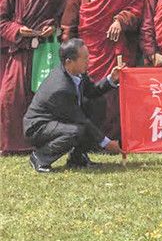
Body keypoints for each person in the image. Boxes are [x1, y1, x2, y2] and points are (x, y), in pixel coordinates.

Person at [61, 0, 141, 140]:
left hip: (112, 46)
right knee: (86, 90)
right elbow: (71, 14)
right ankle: (89, 136)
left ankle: (111, 137)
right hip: (87, 48)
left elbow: (137, 9)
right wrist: (67, 42)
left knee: (112, 92)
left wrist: (120, 20)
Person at [0, 0, 68, 154]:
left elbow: (63, 17)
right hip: (21, 50)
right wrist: (17, 29)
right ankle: (13, 142)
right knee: (10, 96)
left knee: (43, 96)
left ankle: (42, 141)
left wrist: (53, 27)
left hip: (45, 50)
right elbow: (2, 20)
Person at [23, 39, 123, 172]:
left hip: (58, 120)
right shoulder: (61, 88)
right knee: (75, 131)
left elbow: (92, 91)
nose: (88, 61)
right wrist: (107, 143)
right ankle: (40, 157)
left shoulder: (77, 72)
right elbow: (80, 120)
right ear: (69, 62)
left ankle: (77, 158)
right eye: (85, 58)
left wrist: (112, 79)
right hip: (38, 127)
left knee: (98, 103)